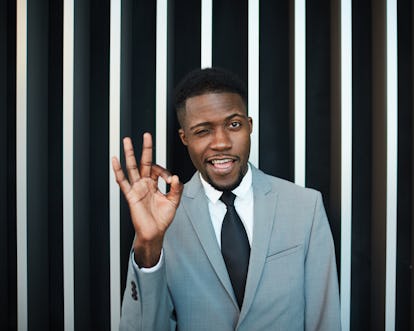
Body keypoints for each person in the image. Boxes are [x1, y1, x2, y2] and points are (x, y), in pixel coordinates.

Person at [113, 67, 341, 330]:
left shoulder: (305, 207)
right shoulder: (161, 220)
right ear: (184, 138)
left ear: (249, 126)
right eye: (202, 131)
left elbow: (325, 321)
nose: (221, 143)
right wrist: (149, 247)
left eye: (233, 125)